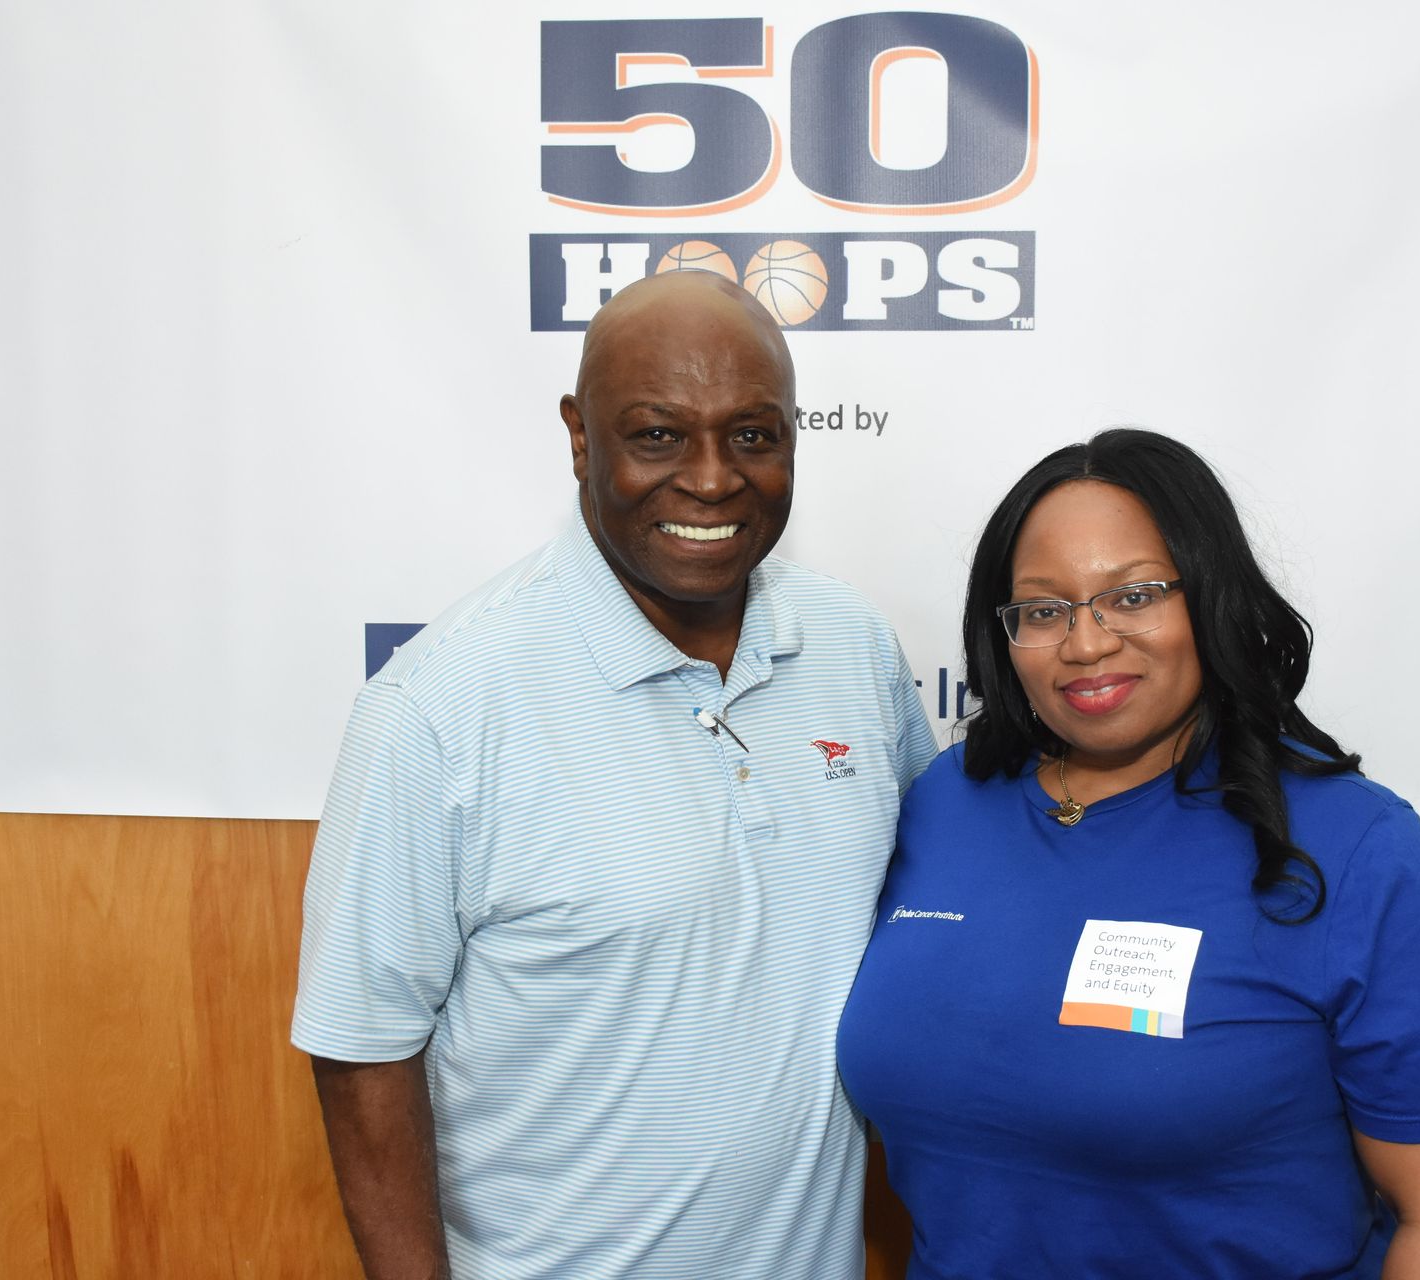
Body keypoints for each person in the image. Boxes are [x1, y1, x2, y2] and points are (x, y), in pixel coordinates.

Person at [293, 270, 937, 1280]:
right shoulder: (438, 705)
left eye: (755, 435)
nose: (714, 478)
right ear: (580, 437)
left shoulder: (853, 645)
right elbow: (361, 1051)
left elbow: (930, 908)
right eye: (658, 435)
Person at [837, 428, 1420, 1279]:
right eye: (1044, 610)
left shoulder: (1359, 852)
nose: (1085, 644)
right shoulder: (944, 803)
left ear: (1212, 599)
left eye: (1135, 595)